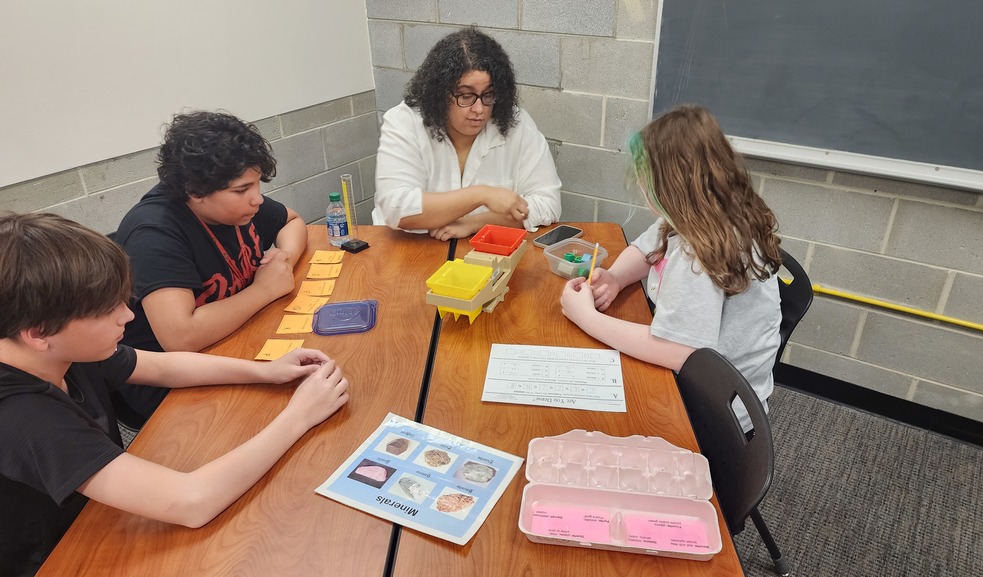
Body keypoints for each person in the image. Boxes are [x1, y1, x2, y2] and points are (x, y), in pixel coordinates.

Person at [0, 212, 350, 576]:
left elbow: (162, 367)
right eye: (106, 310)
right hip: (60, 557)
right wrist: (299, 416)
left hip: (101, 513)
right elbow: (191, 502)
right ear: (38, 333)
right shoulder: (22, 416)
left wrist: (264, 371)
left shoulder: (59, 349)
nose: (128, 316)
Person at [560, 105, 782, 430]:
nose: (640, 186)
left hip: (718, 415)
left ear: (670, 186)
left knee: (599, 419)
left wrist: (587, 318)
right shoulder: (705, 209)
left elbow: (676, 350)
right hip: (713, 385)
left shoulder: (700, 253)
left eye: (644, 178)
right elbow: (647, 248)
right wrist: (616, 277)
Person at [115, 110, 307, 423]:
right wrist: (265, 290)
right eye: (242, 189)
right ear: (195, 191)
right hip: (172, 384)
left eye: (256, 184)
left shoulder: (235, 208)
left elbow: (293, 221)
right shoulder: (154, 232)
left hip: (234, 338)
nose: (257, 199)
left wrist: (284, 257)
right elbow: (181, 337)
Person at [372, 27, 561, 241]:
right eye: (465, 96)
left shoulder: (517, 124)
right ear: (439, 94)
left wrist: (474, 222)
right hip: (407, 248)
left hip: (482, 248)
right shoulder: (405, 122)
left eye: (488, 95)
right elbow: (396, 208)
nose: (479, 109)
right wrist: (481, 195)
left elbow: (548, 203)